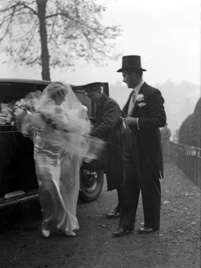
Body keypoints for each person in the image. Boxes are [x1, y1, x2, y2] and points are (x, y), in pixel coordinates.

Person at [15, 82, 100, 238]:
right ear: (56, 95)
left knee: (63, 189)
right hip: (41, 155)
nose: (65, 98)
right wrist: (30, 121)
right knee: (47, 189)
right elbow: (28, 130)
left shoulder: (60, 111)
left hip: (58, 155)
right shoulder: (39, 108)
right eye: (63, 95)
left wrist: (80, 115)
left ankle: (65, 224)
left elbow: (68, 129)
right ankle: (47, 222)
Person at [113, 55, 166, 237]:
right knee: (128, 186)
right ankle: (125, 225)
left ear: (134, 75)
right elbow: (125, 113)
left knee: (149, 186)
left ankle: (151, 224)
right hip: (130, 148)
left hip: (147, 150)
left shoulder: (152, 93)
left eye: (125, 75)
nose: (123, 79)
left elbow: (160, 120)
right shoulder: (132, 95)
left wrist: (135, 121)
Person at [84, 82, 124, 219]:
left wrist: (90, 134)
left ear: (99, 91)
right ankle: (122, 207)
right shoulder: (101, 104)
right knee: (116, 176)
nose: (91, 98)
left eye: (92, 95)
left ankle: (122, 208)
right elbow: (100, 121)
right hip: (110, 144)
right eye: (89, 96)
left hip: (117, 145)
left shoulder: (110, 104)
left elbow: (107, 124)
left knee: (119, 176)